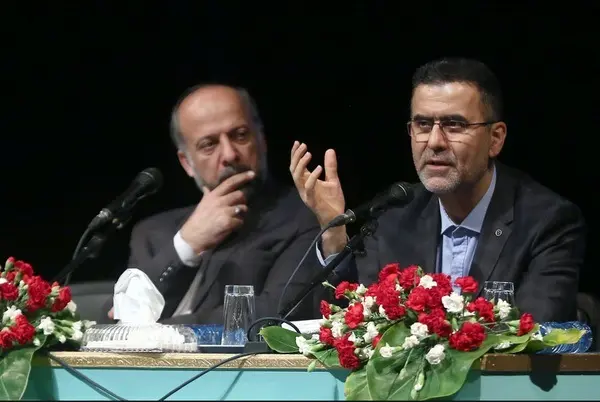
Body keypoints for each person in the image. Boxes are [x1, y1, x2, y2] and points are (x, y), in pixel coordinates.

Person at [290, 57, 586, 323]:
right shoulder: (394, 216)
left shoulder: (546, 222)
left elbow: (534, 332)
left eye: (454, 125)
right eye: (422, 124)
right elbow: (351, 322)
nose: (434, 142)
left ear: (495, 139)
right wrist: (334, 233)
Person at [108, 83, 321, 324]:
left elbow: (277, 314)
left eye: (240, 135)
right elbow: (118, 316)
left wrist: (159, 331)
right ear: (187, 163)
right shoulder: (151, 232)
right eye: (209, 144)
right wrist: (186, 245)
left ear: (261, 140)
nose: (229, 154)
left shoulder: (304, 217)